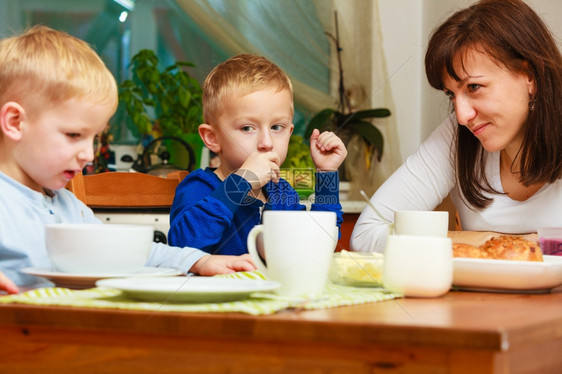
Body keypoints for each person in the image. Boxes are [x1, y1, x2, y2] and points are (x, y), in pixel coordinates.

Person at [0, 26, 255, 295]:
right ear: (15, 122)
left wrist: (199, 260)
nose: (89, 154)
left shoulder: (68, 206)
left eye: (95, 138)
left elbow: (129, 253)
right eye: (74, 134)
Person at [351, 0, 562, 253]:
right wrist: (498, 245)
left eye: (474, 87)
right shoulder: (457, 135)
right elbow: (366, 234)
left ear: (530, 77)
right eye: (451, 94)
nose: (462, 116)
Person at [168, 54, 347, 255]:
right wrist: (241, 182)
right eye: (247, 128)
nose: (267, 143)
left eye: (277, 127)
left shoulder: (282, 193)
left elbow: (316, 244)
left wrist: (326, 174)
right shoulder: (199, 187)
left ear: (289, 133)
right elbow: (182, 247)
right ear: (213, 138)